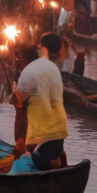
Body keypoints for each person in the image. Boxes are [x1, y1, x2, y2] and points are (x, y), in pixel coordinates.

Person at [15, 33, 68, 171]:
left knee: (16, 166)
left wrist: (20, 145)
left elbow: (21, 116)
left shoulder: (28, 75)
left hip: (42, 146)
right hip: (57, 141)